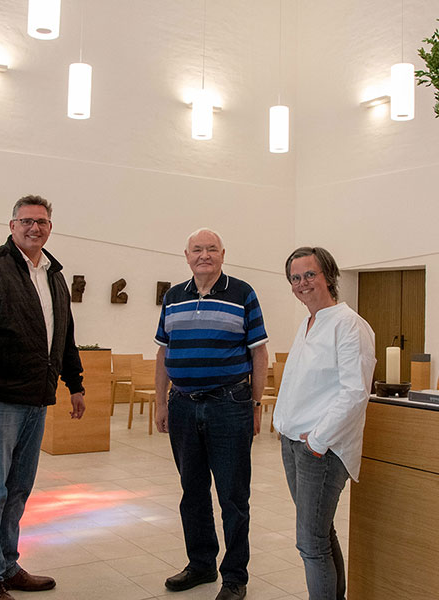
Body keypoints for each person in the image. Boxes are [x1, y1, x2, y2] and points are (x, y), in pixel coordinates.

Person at [0, 195, 85, 600]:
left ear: (51, 226)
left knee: (18, 489)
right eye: (27, 221)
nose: (35, 228)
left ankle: (8, 565)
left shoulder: (54, 274)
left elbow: (64, 335)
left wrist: (77, 383)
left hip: (38, 398)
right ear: (12, 224)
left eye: (43, 222)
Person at [154, 228, 269, 600]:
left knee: (233, 496)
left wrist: (254, 404)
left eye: (211, 249)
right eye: (197, 250)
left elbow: (259, 354)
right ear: (186, 255)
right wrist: (160, 402)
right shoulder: (173, 296)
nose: (204, 255)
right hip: (183, 404)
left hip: (229, 405)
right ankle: (201, 564)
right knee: (192, 491)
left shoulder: (243, 293)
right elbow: (162, 353)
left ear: (223, 254)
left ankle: (235, 576)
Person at [272, 247, 376, 600]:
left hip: (322, 449)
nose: (302, 283)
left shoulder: (349, 324)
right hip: (295, 442)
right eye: (295, 277)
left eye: (309, 275)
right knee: (321, 535)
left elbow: (354, 392)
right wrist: (281, 422)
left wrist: (317, 440)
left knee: (310, 544)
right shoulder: (309, 321)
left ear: (328, 276)